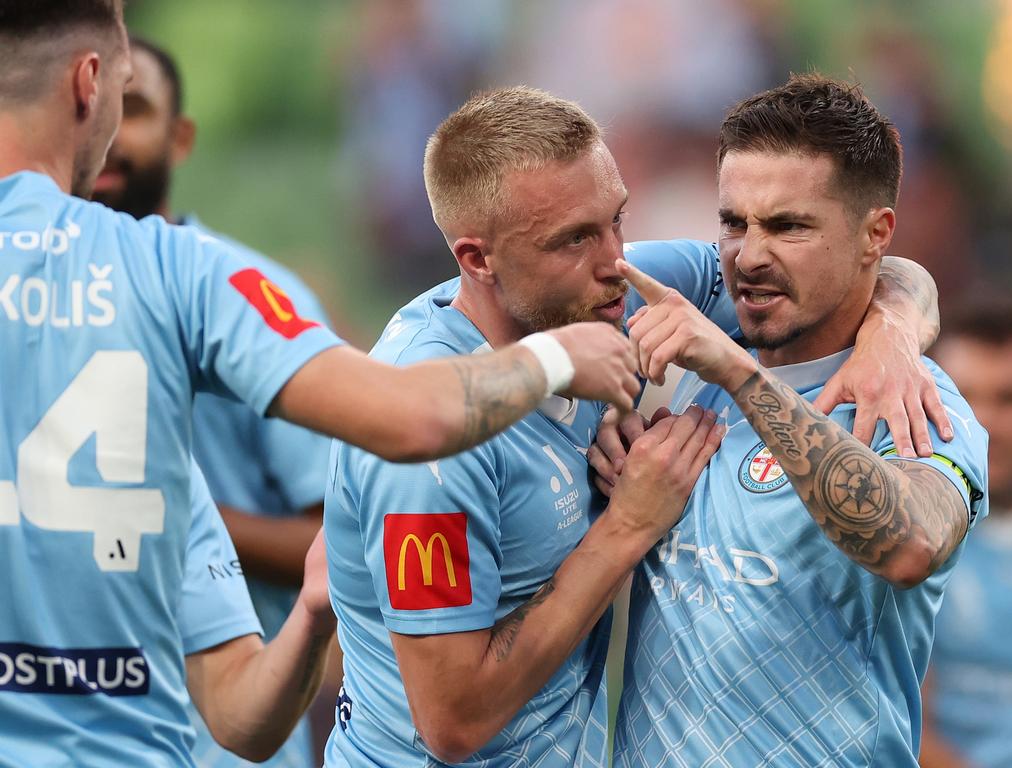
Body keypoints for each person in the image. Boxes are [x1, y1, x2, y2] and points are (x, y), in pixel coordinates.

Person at [0, 3, 640, 765]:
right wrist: (563, 358)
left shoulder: (153, 430)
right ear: (88, 83)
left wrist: (311, 608)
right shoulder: (177, 273)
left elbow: (242, 719)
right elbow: (413, 419)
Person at [324, 85, 952, 767]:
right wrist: (626, 525)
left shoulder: (597, 291)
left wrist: (891, 333)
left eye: (615, 220)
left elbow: (831, 267)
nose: (615, 261)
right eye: (574, 239)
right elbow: (453, 723)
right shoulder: (429, 435)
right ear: (478, 259)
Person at [590, 73, 989, 767]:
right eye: (733, 222)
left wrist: (739, 377)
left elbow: (911, 546)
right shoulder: (705, 348)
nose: (749, 255)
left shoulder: (916, 402)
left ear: (876, 236)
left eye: (788, 225)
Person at [91, 36, 332, 768]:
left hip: (224, 741)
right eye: (97, 107)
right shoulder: (27, 296)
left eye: (132, 109)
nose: (106, 133)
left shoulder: (256, 300)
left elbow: (340, 539)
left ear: (182, 137)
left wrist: (154, 510)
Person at [918, 305, 1012, 768]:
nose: (983, 425)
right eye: (962, 399)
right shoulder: (897, 535)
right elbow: (884, 716)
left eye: (1010, 399)